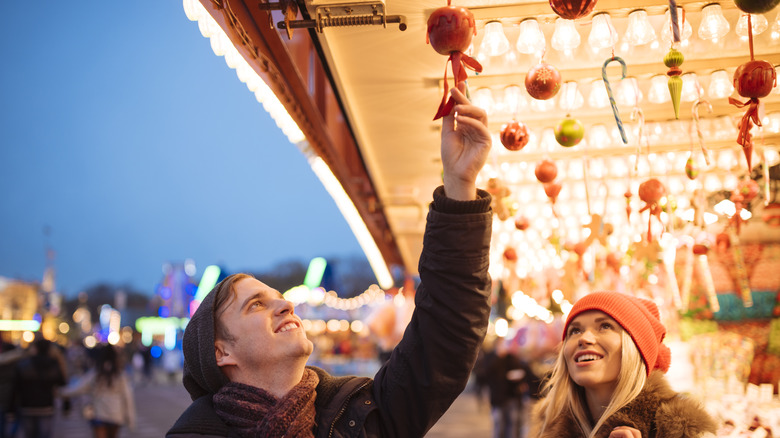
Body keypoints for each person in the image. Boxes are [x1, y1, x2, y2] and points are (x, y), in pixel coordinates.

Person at [167, 82, 493, 438]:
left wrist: (459, 186)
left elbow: (447, 330)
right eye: (255, 305)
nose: (284, 304)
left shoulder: (363, 414)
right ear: (221, 352)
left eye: (278, 296)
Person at [529, 291, 717, 438]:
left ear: (635, 347)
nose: (584, 338)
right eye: (575, 330)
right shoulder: (548, 423)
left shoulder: (680, 429)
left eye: (605, 326)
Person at [61, 344, 136, 438]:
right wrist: (130, 419)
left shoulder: (95, 373)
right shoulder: (120, 376)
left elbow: (79, 388)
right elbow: (128, 397)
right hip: (116, 415)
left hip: (99, 414)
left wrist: (60, 392)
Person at [14, 338, 65, 438]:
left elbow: (16, 387)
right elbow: (61, 383)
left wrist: (11, 408)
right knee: (45, 434)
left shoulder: (24, 364)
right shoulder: (53, 364)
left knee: (29, 434)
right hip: (46, 405)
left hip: (27, 406)